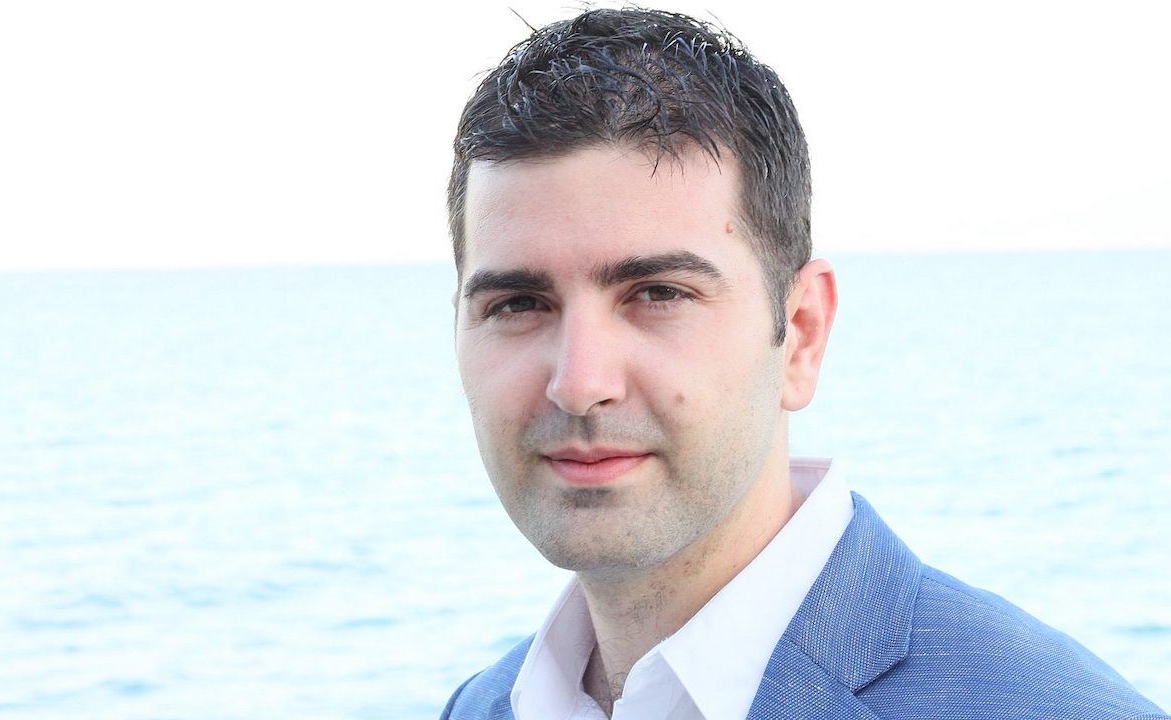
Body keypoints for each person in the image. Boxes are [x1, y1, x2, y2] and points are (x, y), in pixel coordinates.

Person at [439, 7, 1167, 719]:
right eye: (517, 303)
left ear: (802, 333)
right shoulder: (481, 706)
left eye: (659, 293)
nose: (579, 383)